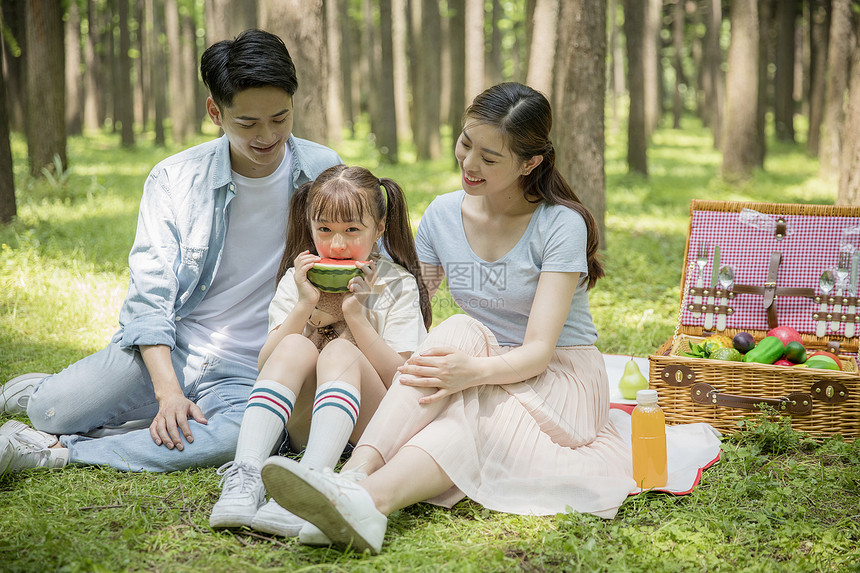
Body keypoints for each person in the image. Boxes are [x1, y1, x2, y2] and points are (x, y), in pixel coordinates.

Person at [258, 82, 638, 554]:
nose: (469, 164)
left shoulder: (560, 225)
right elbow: (410, 305)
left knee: (460, 368)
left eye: (490, 157)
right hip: (478, 365)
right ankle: (356, 488)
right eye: (465, 143)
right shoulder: (442, 214)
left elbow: (539, 352)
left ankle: (359, 493)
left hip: (557, 380)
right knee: (455, 344)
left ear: (530, 162)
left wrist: (470, 373)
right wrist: (335, 305)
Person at [0, 29, 343, 475]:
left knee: (245, 438)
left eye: (280, 118)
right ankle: (44, 393)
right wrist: (168, 392)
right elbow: (150, 296)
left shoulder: (321, 171)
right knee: (51, 412)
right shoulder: (175, 178)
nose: (267, 136)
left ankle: (62, 452)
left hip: (254, 367)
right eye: (248, 123)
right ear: (215, 112)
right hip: (174, 349)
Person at [208, 165, 430, 537]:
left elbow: (402, 383)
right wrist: (303, 306)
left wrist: (355, 316)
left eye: (352, 230)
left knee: (340, 354)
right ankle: (246, 474)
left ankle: (311, 483)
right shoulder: (296, 283)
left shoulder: (396, 284)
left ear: (380, 227)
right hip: (305, 425)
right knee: (293, 343)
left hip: (369, 429)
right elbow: (266, 365)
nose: (337, 245)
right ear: (308, 225)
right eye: (324, 229)